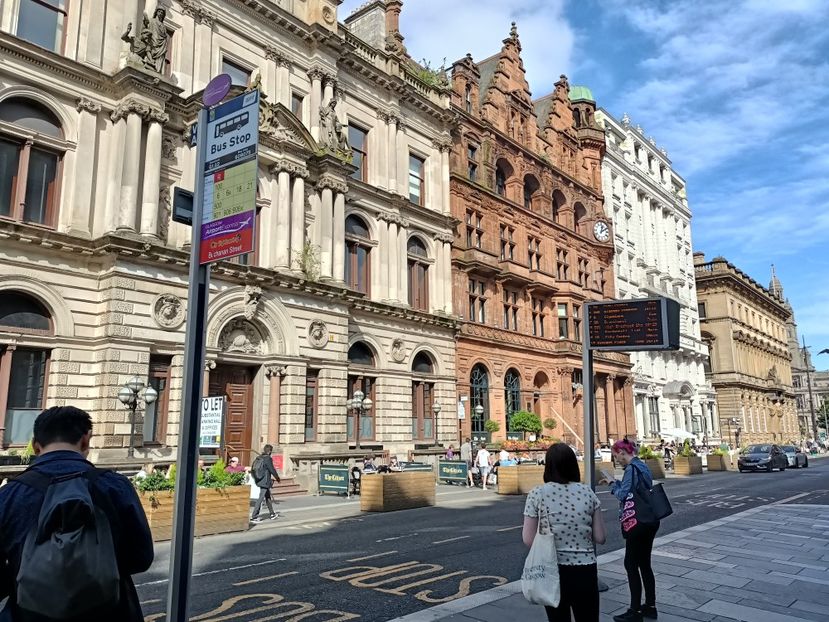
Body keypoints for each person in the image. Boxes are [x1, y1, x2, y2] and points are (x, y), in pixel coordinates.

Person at [0, 406, 153, 621]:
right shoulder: (115, 487)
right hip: (111, 613)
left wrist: (32, 576)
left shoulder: (9, 495)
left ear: (35, 445)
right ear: (85, 440)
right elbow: (141, 558)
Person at [523, 443, 606, 622]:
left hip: (553, 569)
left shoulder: (537, 494)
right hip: (586, 571)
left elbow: (528, 539)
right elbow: (600, 537)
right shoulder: (588, 492)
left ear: (548, 466)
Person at [600, 439, 659, 622]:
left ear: (623, 452)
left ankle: (634, 611)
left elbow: (623, 495)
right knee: (645, 564)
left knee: (631, 564)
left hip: (636, 522)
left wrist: (611, 483)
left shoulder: (631, 470)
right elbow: (638, 489)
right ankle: (650, 606)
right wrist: (617, 482)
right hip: (650, 520)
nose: (617, 459)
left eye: (617, 456)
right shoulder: (642, 466)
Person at [251, 445, 281, 522]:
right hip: (265, 481)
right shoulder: (267, 458)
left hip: (259, 479)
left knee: (267, 497)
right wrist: (277, 478)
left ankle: (272, 514)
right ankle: (254, 516)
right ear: (270, 451)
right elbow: (272, 469)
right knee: (261, 498)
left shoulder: (259, 457)